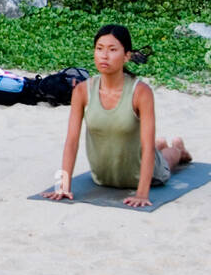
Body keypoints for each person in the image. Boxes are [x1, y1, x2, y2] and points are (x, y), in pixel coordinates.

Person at [45, 24, 191, 208]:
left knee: (165, 162)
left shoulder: (141, 92)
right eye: (99, 49)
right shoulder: (82, 91)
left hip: (143, 175)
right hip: (103, 177)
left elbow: (146, 146)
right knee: (152, 149)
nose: (104, 55)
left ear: (126, 56)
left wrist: (141, 194)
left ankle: (178, 149)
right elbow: (71, 142)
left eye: (112, 50)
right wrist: (63, 186)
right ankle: (160, 146)